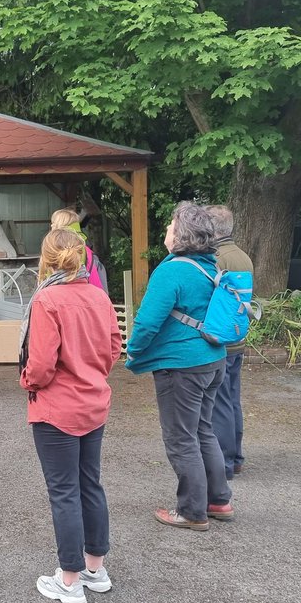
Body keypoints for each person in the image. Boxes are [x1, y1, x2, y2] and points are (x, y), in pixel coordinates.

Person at [20, 229, 122, 603]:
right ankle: (96, 569)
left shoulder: (46, 299)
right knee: (89, 484)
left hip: (56, 406)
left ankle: (69, 579)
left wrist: (27, 379)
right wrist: (93, 372)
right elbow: (114, 346)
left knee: (64, 492)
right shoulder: (99, 296)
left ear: (45, 260)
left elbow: (42, 364)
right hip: (93, 401)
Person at [125, 201, 233, 531]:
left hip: (181, 366)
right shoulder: (208, 266)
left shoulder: (172, 270)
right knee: (202, 430)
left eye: (170, 226)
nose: (166, 231)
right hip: (213, 360)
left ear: (181, 233)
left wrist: (132, 351)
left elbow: (147, 321)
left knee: (181, 439)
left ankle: (191, 511)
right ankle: (219, 500)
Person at [205, 205, 253, 479]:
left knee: (219, 402)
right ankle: (236, 456)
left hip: (219, 339)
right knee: (232, 398)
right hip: (238, 335)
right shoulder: (242, 256)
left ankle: (223, 462)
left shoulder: (216, 259)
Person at [50, 208, 108, 290]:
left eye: (53, 223)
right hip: (92, 295)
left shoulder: (58, 250)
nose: (51, 226)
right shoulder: (85, 249)